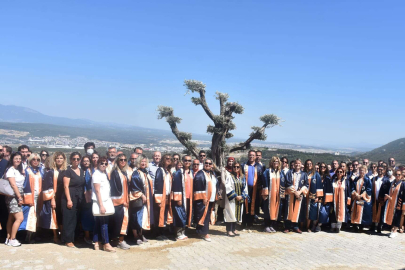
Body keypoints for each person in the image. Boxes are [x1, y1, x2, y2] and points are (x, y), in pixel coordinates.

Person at [39, 152, 67, 243]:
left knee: (63, 216)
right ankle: (55, 236)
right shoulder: (51, 172)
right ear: (54, 160)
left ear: (64, 160)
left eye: (61, 158)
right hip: (55, 197)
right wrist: (52, 199)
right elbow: (48, 187)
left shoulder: (67, 170)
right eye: (57, 158)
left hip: (65, 196)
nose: (59, 160)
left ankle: (63, 234)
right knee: (55, 216)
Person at [92, 156, 115, 252]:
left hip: (105, 200)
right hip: (101, 201)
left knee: (99, 222)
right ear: (98, 164)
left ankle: (96, 242)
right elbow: (97, 191)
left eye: (106, 163)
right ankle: (106, 243)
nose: (104, 165)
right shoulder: (96, 175)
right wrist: (101, 205)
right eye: (102, 163)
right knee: (104, 223)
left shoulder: (103, 174)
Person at [129, 154, 154, 245]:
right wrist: (142, 195)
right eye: (141, 161)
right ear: (138, 162)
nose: (143, 163)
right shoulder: (136, 173)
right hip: (138, 199)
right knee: (136, 217)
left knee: (143, 217)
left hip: (146, 200)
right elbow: (134, 188)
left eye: (145, 161)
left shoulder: (145, 172)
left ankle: (141, 234)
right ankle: (135, 236)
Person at [62, 152, 85, 248]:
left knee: (76, 219)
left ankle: (74, 238)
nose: (76, 161)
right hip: (70, 196)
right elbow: (66, 186)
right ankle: (68, 240)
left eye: (78, 159)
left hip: (79, 197)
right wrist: (69, 200)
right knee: (69, 219)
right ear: (71, 160)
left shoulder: (82, 171)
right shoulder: (67, 171)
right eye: (74, 159)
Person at [20, 153, 44, 243]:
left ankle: (35, 234)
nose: (36, 161)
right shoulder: (26, 171)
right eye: (34, 159)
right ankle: (28, 237)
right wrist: (28, 198)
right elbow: (25, 185)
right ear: (30, 160)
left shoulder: (40, 170)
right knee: (30, 216)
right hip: (31, 196)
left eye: (38, 160)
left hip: (39, 196)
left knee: (37, 215)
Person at [109, 154, 131, 250]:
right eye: (121, 160)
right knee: (118, 222)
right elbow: (114, 190)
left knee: (123, 221)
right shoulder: (114, 172)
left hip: (124, 201)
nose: (123, 161)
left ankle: (120, 240)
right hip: (118, 203)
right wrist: (122, 202)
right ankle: (118, 241)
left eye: (125, 160)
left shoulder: (124, 172)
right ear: (117, 161)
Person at [4, 152, 25, 247]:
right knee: (19, 218)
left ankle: (8, 238)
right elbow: (13, 185)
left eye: (19, 158)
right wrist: (19, 197)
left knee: (11, 217)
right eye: (16, 158)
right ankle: (13, 238)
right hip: (13, 195)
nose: (18, 160)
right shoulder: (10, 170)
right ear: (12, 159)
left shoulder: (17, 170)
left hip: (17, 194)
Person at [193, 158, 216, 242]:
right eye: (206, 163)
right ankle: (204, 233)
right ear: (203, 164)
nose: (208, 165)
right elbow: (198, 187)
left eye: (210, 164)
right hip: (204, 199)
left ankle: (201, 231)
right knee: (203, 215)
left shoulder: (212, 173)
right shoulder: (200, 174)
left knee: (207, 215)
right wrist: (203, 198)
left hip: (211, 198)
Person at [224, 161, 248, 237]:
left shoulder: (242, 177)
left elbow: (245, 188)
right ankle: (229, 230)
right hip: (232, 200)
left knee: (237, 215)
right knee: (230, 214)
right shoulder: (229, 176)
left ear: (240, 168)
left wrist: (242, 196)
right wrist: (235, 196)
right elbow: (228, 187)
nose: (236, 168)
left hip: (239, 199)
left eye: (238, 167)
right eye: (234, 167)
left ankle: (234, 229)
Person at [284, 159, 308, 234]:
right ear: (294, 164)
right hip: (291, 194)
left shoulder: (304, 174)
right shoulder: (289, 172)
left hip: (299, 195)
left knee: (297, 211)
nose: (297, 165)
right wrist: (295, 192)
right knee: (289, 210)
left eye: (299, 163)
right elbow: (287, 183)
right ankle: (287, 227)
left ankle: (295, 227)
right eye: (296, 163)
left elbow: (306, 185)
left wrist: (300, 192)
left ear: (301, 165)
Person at [241, 150, 263, 228]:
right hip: (245, 189)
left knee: (253, 206)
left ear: (255, 156)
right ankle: (244, 223)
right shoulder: (243, 165)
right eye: (250, 155)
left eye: (253, 155)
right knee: (245, 205)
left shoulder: (259, 167)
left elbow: (261, 178)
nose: (251, 157)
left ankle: (250, 223)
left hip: (255, 190)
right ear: (248, 156)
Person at [262, 156, 284, 233]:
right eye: (274, 161)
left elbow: (283, 183)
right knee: (268, 210)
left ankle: (272, 225)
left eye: (277, 161)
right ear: (271, 162)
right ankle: (266, 225)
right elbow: (264, 183)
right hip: (269, 195)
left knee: (276, 210)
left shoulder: (280, 172)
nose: (276, 163)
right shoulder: (267, 171)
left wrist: (282, 194)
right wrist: (265, 194)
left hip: (277, 195)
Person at [154, 154, 173, 240]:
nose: (168, 160)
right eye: (167, 158)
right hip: (161, 197)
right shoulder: (160, 170)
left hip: (167, 197)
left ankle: (163, 232)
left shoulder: (168, 171)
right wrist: (158, 200)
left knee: (164, 215)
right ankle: (158, 234)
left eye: (170, 159)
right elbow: (157, 185)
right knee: (159, 215)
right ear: (163, 160)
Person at [381, 170, 404, 238]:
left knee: (397, 217)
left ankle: (395, 230)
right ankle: (392, 230)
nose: (397, 176)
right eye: (396, 174)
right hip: (391, 202)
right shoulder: (392, 183)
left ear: (401, 176)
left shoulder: (402, 184)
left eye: (399, 175)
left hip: (398, 203)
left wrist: (403, 205)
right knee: (392, 217)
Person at [350, 165, 372, 232]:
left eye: (362, 170)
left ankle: (361, 227)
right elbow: (352, 187)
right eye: (360, 170)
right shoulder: (356, 179)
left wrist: (361, 195)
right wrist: (356, 194)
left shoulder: (367, 180)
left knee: (361, 212)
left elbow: (369, 189)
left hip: (362, 199)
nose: (361, 172)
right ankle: (354, 226)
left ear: (365, 172)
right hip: (356, 198)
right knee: (355, 211)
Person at [171, 158, 189, 240]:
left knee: (183, 214)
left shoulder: (186, 172)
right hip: (180, 198)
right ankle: (178, 234)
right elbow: (176, 187)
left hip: (185, 197)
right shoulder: (178, 173)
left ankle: (182, 232)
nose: (186, 163)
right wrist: (178, 199)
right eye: (181, 163)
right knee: (179, 215)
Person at [303, 159, 322, 232]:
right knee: (304, 211)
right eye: (307, 164)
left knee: (312, 212)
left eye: (310, 164)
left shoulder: (316, 174)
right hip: (304, 196)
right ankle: (304, 226)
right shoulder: (304, 173)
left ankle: (310, 227)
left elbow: (319, 186)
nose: (309, 165)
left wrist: (318, 197)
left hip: (312, 196)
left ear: (312, 165)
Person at [329, 166, 349, 233]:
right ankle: (333, 226)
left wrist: (348, 201)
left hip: (342, 201)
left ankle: (338, 226)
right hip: (334, 200)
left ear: (343, 173)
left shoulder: (346, 182)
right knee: (333, 212)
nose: (339, 173)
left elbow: (348, 192)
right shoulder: (333, 180)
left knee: (341, 212)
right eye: (338, 172)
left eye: (341, 172)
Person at [80, 156, 94, 245]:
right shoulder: (80, 171)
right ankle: (86, 235)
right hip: (82, 197)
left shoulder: (93, 171)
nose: (86, 162)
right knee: (85, 216)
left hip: (92, 196)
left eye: (87, 161)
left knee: (91, 216)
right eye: (84, 161)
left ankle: (92, 234)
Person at [317, 163, 333, 232]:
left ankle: (320, 225)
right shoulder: (317, 176)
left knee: (323, 212)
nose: (322, 168)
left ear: (326, 168)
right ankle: (314, 225)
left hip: (324, 198)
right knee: (316, 212)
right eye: (321, 166)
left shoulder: (328, 178)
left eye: (324, 167)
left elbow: (329, 189)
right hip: (317, 197)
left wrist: (326, 199)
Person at [370, 165, 386, 234]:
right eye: (379, 169)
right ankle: (373, 226)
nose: (380, 171)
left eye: (381, 170)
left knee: (380, 213)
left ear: (384, 170)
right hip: (374, 198)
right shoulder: (374, 179)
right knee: (373, 212)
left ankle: (379, 227)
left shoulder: (386, 180)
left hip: (382, 199)